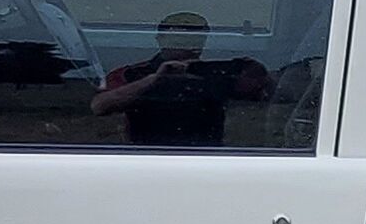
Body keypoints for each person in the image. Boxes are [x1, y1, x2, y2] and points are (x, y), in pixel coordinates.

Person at [89, 11, 272, 147]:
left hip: (210, 160)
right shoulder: (132, 74)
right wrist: (155, 80)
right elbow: (100, 106)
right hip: (145, 158)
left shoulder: (217, 73)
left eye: (192, 38)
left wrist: (252, 69)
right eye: (177, 38)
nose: (185, 46)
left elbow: (268, 96)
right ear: (159, 38)